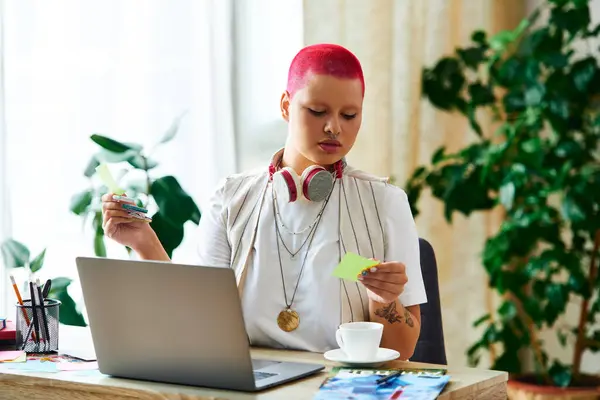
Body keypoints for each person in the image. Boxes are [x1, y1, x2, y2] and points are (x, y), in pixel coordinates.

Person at [101, 43, 427, 359]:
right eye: (317, 111)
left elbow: (402, 351)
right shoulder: (231, 198)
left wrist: (383, 300)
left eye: (350, 115)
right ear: (285, 105)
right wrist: (145, 244)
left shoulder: (385, 203)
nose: (334, 128)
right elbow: (196, 321)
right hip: (250, 383)